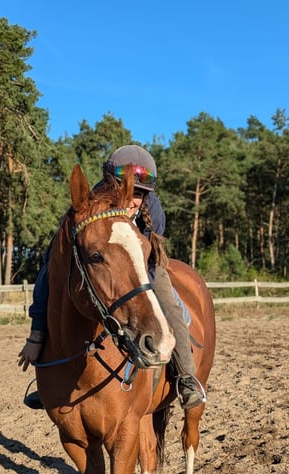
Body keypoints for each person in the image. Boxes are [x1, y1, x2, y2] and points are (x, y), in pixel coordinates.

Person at [18, 145, 206, 410]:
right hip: (106, 268)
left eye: (139, 194)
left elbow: (146, 258)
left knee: (171, 306)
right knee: (50, 275)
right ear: (108, 184)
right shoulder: (90, 204)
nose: (132, 200)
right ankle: (52, 375)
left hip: (146, 267)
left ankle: (186, 376)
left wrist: (140, 285)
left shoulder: (155, 212)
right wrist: (36, 334)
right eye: (125, 189)